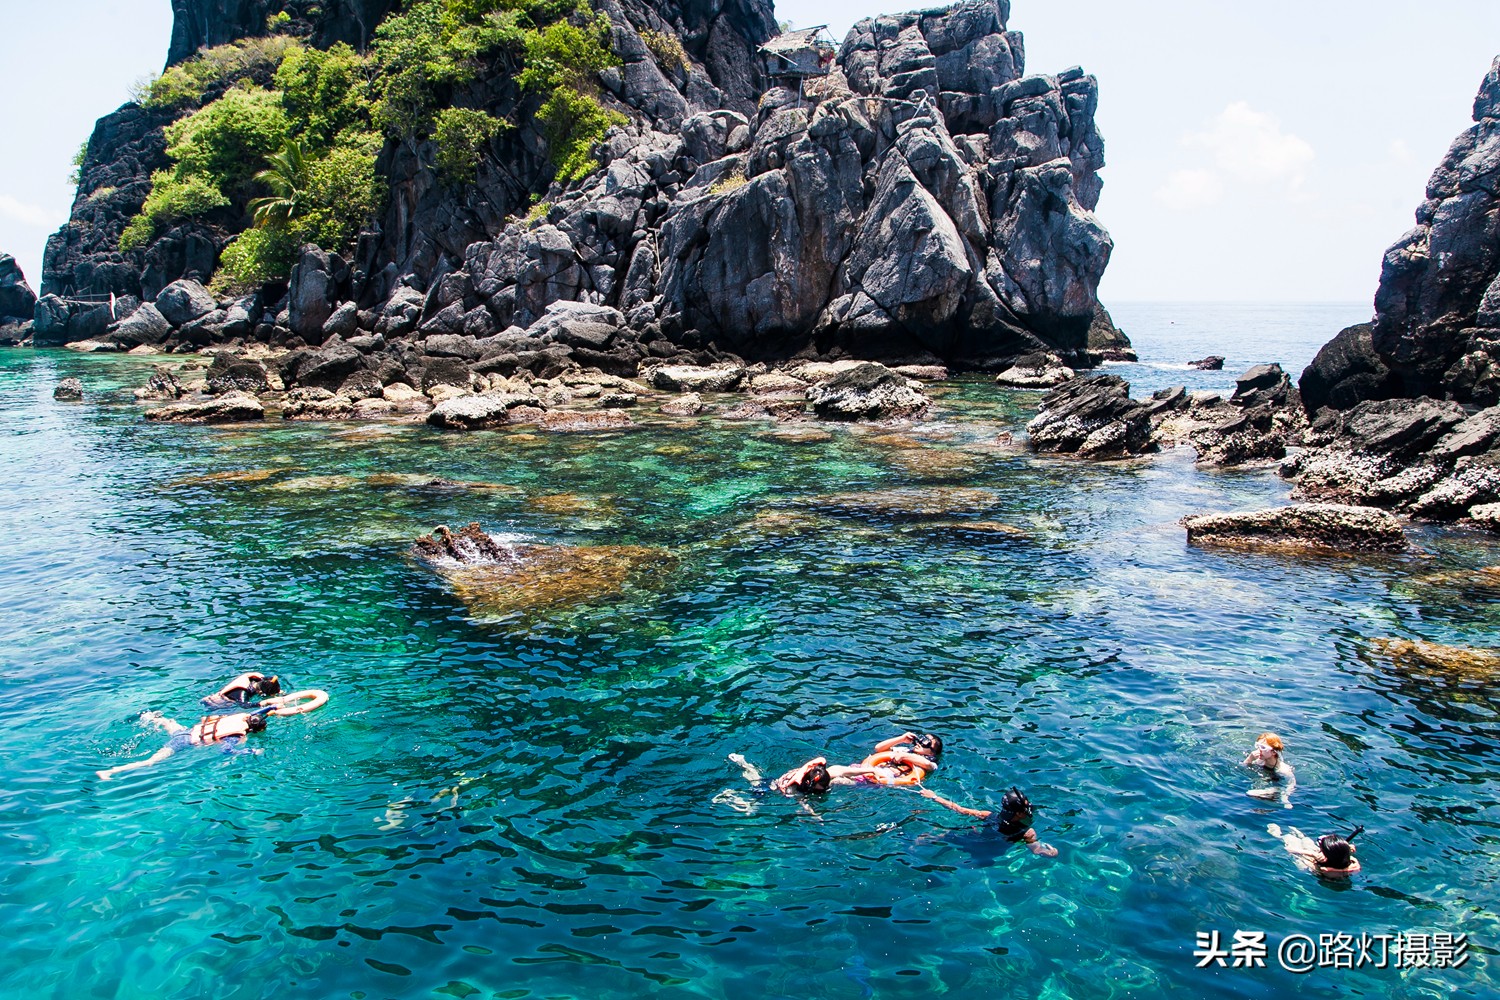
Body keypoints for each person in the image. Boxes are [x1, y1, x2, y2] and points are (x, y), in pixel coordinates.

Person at [919, 785, 1059, 856]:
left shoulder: (989, 815)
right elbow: (1036, 849)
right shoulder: (1027, 832)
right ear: (1020, 813)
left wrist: (934, 797)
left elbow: (959, 809)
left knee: (946, 835)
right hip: (991, 854)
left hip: (973, 842)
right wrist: (1051, 853)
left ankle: (923, 842)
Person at [1268, 823, 1362, 878]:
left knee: (1291, 843)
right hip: (1329, 859)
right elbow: (1353, 864)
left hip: (1311, 866)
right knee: (1307, 842)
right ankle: (1300, 836)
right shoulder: (1352, 863)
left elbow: (1289, 850)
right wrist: (1345, 847)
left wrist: (1313, 854)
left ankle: (1279, 835)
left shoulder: (1325, 870)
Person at [859, 731, 943, 786]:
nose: (919, 743)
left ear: (932, 753)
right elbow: (878, 748)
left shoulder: (932, 763)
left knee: (848, 779)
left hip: (879, 780)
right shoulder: (905, 750)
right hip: (871, 770)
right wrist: (901, 739)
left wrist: (904, 756)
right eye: (921, 739)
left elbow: (927, 764)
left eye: (926, 743)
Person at [1243, 732, 1296, 807]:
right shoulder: (1258, 759)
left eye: (1263, 747)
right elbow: (1243, 767)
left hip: (1278, 784)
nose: (1259, 750)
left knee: (1251, 793)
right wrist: (1250, 758)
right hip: (1266, 777)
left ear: (1274, 752)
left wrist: (1285, 798)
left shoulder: (1283, 770)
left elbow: (1292, 784)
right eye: (1258, 746)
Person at [203, 672, 282, 708]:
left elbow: (271, 682)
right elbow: (244, 705)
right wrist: (263, 703)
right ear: (260, 692)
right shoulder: (242, 693)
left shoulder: (257, 678)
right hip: (213, 704)